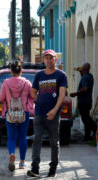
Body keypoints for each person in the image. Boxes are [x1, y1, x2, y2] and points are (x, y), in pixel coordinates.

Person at [27, 49, 68, 178]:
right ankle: (35, 169)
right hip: (39, 113)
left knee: (54, 142)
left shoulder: (61, 75)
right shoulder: (39, 75)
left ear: (55, 60)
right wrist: (38, 101)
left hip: (54, 115)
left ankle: (53, 169)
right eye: (47, 58)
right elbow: (33, 92)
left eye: (51, 58)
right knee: (36, 140)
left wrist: (54, 110)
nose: (49, 60)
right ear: (44, 60)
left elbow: (62, 95)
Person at [0, 60, 34, 171]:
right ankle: (22, 162)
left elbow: (0, 98)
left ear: (11, 71)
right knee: (22, 137)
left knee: (11, 137)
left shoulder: (6, 83)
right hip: (24, 113)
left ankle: (12, 153)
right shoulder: (27, 83)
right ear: (21, 71)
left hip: (10, 113)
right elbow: (32, 96)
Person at [70, 63, 97, 141]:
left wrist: (75, 94)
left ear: (84, 69)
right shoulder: (89, 76)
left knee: (86, 119)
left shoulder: (85, 77)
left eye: (81, 67)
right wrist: (80, 72)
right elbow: (84, 82)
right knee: (86, 119)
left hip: (84, 102)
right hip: (88, 101)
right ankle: (87, 137)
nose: (80, 67)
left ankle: (95, 131)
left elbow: (85, 88)